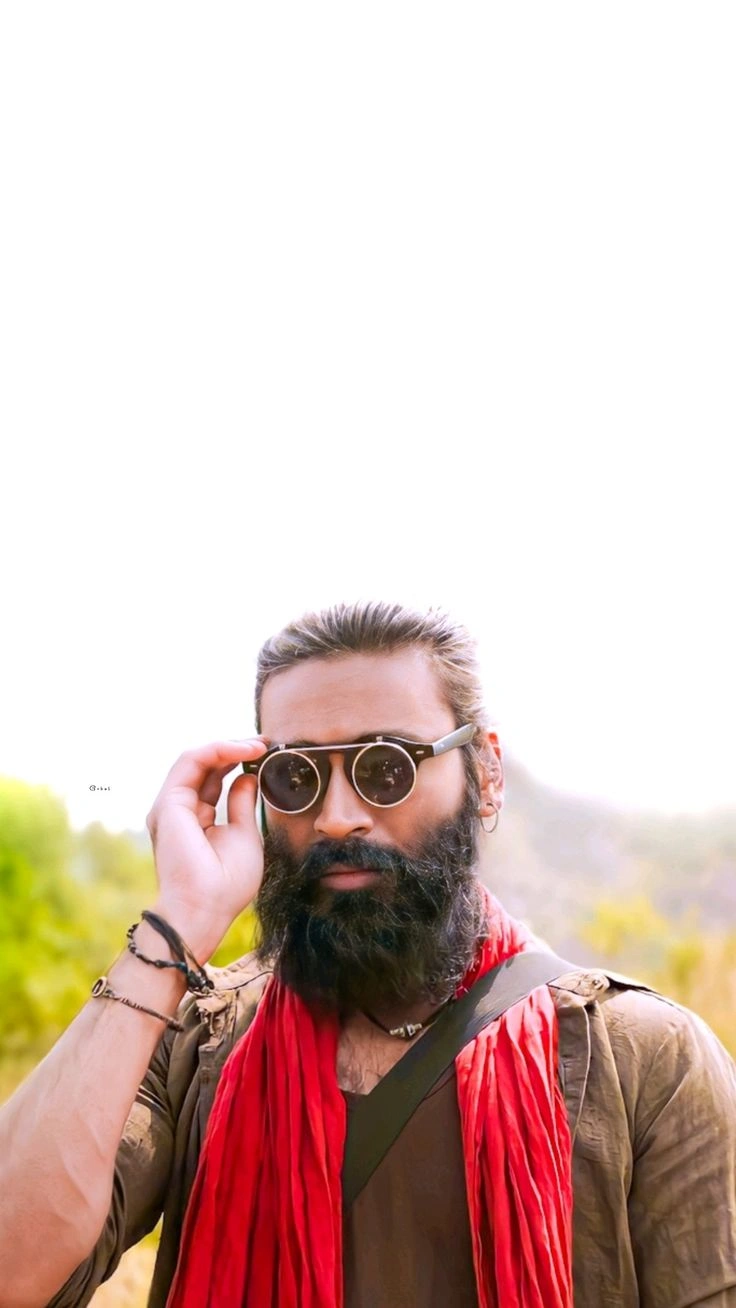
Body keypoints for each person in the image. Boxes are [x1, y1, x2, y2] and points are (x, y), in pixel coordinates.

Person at [1, 601, 735, 1308]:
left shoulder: (644, 1060)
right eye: (298, 775)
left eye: (387, 767)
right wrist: (179, 925)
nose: (338, 817)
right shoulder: (200, 1042)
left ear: (485, 775)